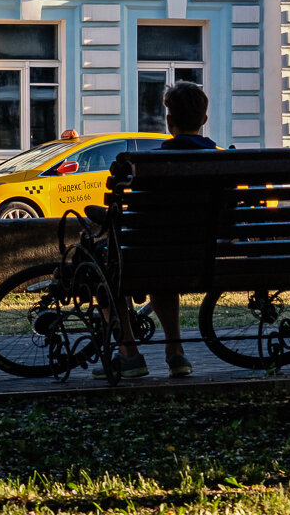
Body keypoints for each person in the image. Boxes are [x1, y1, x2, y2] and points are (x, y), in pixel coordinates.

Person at [97, 80, 216, 380]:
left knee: (101, 268)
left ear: (169, 121)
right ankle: (175, 354)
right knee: (164, 268)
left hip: (156, 257)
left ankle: (129, 353)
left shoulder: (152, 163)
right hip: (207, 259)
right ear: (204, 119)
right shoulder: (220, 160)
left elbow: (137, 216)